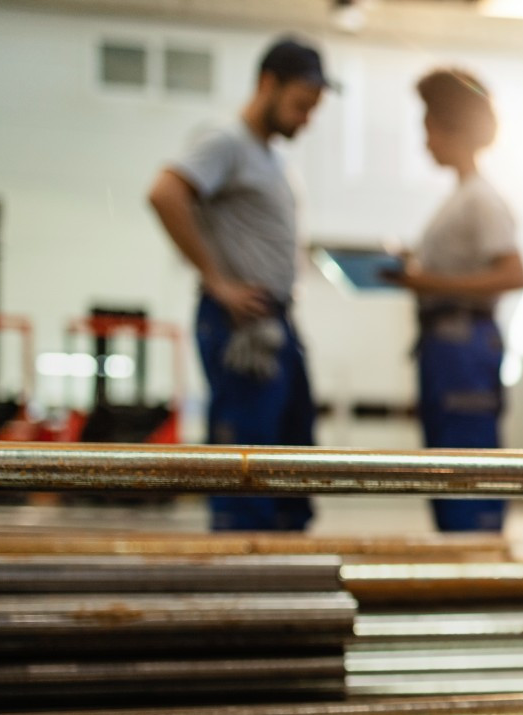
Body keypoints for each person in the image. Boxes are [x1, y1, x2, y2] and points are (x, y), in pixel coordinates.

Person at [148, 37, 330, 532]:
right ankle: (244, 587)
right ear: (268, 84)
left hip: (276, 323)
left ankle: (290, 587)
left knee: (294, 468)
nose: (306, 120)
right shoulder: (226, 142)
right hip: (241, 325)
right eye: (300, 105)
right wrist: (217, 280)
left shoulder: (272, 159)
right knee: (247, 470)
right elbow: (165, 193)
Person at [383, 68, 523, 533]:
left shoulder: (481, 198)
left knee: (469, 471)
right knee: (447, 469)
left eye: (428, 127)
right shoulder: (459, 198)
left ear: (451, 128)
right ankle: (459, 563)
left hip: (463, 345)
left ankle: (476, 567)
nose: (425, 141)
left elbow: (513, 272)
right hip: (445, 349)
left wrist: (430, 283)